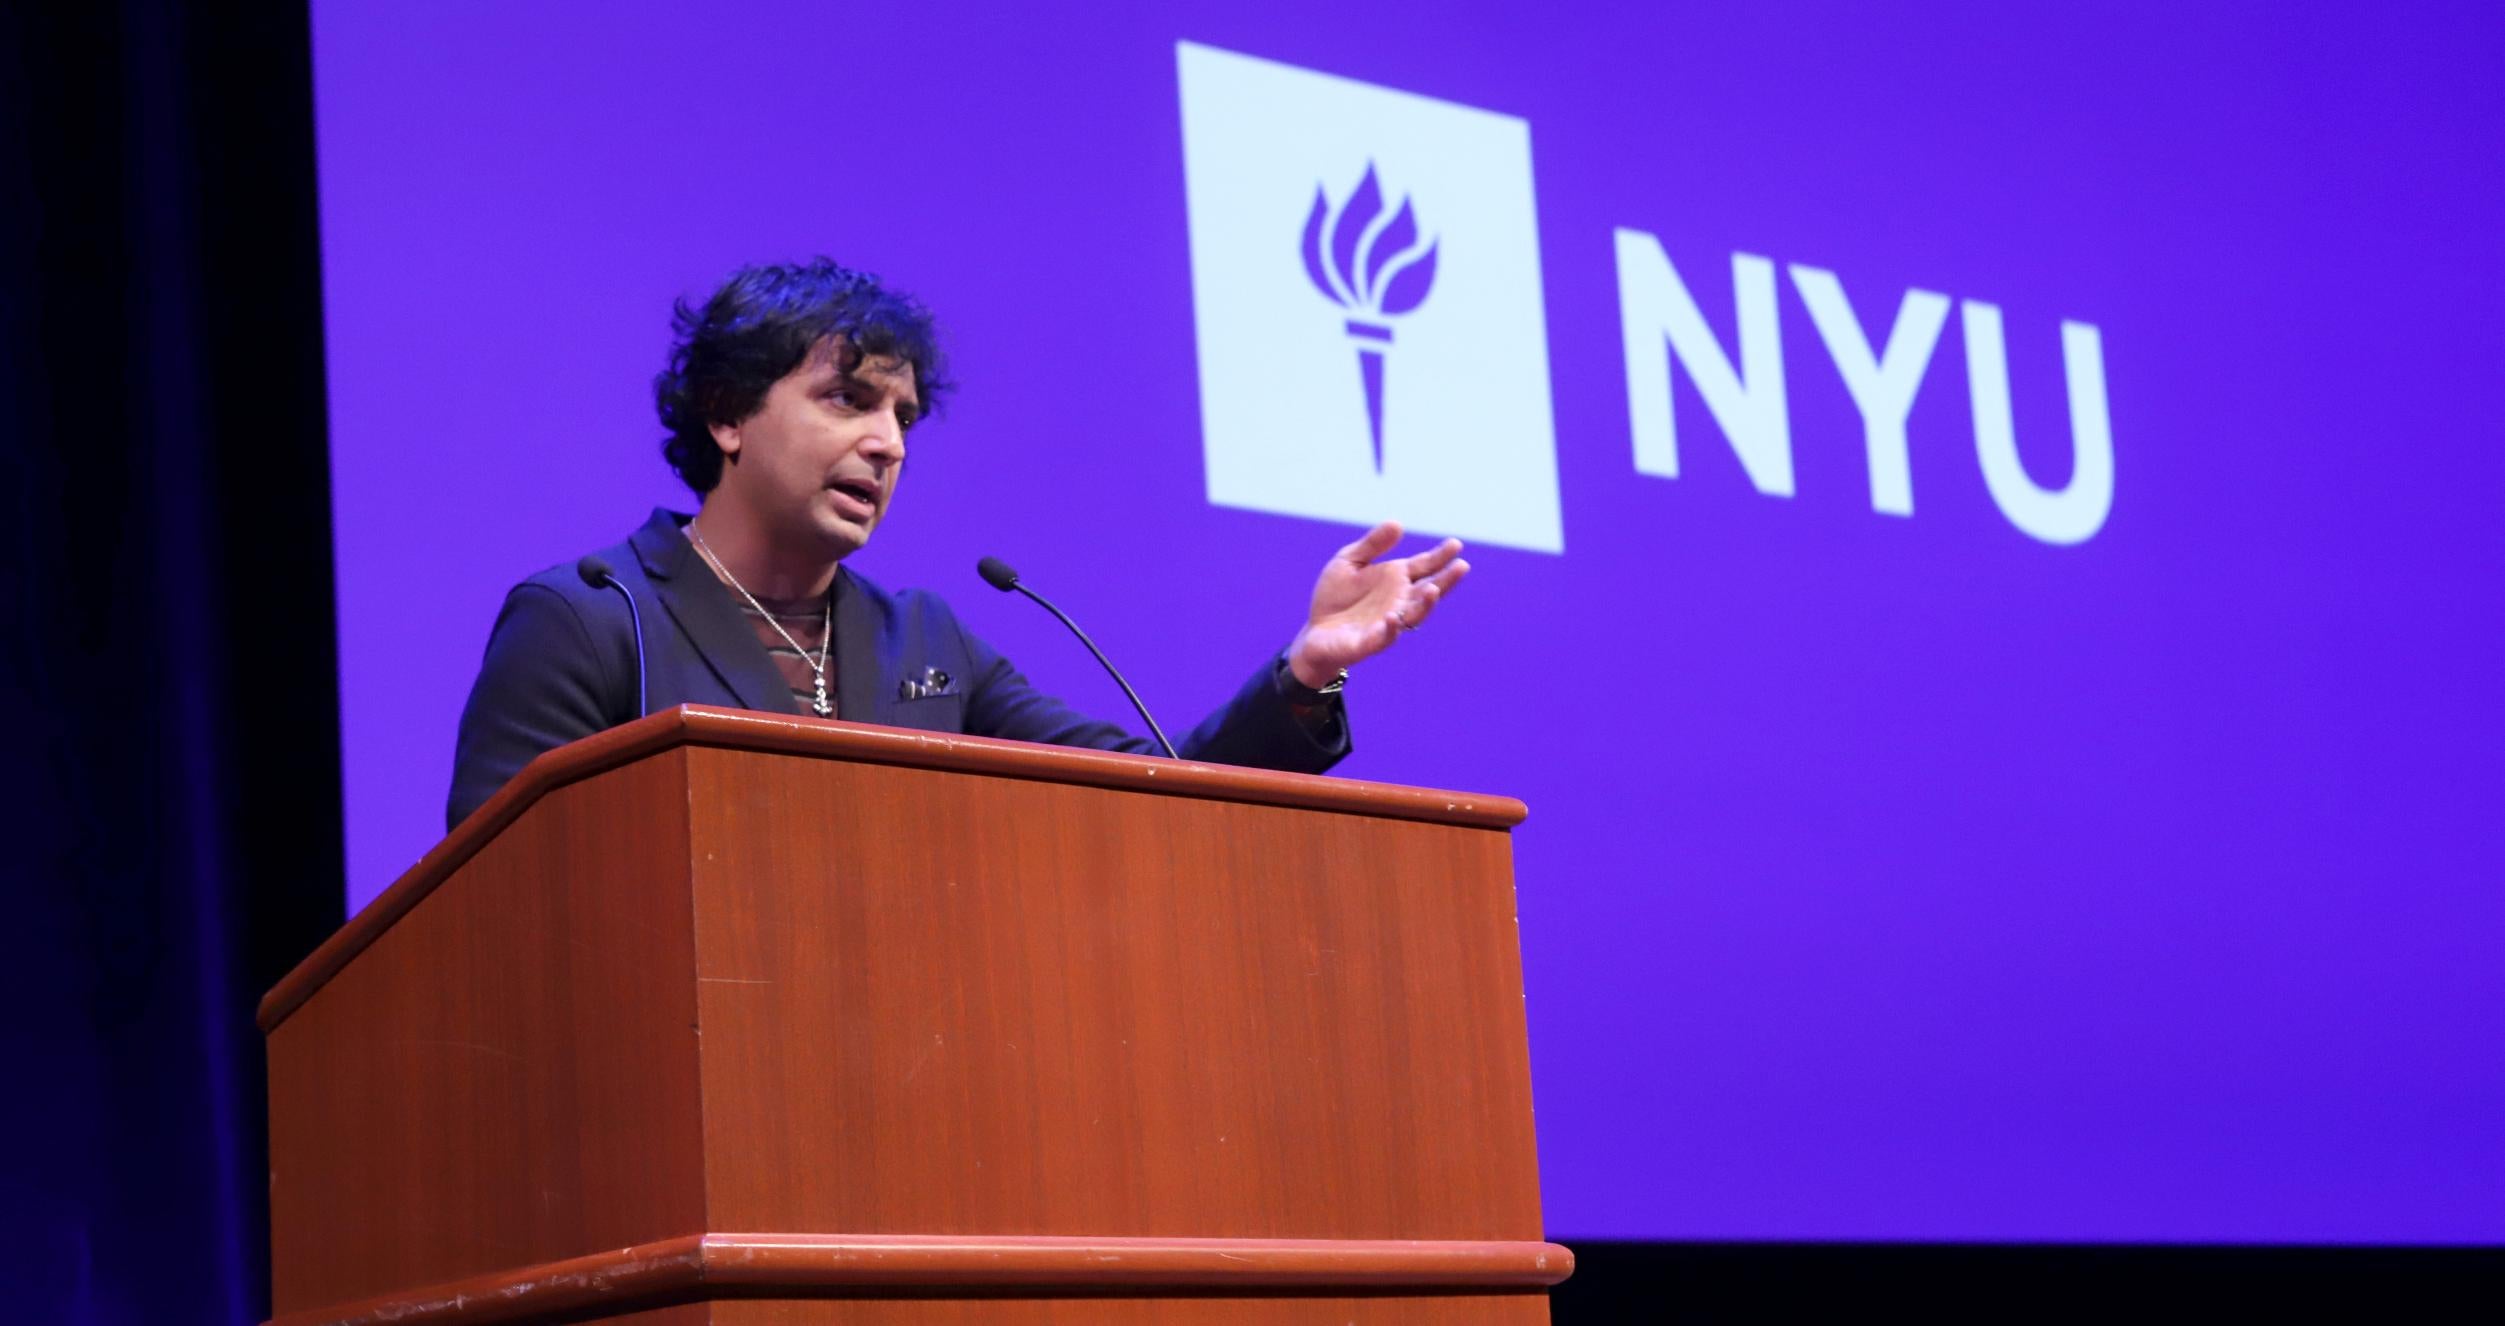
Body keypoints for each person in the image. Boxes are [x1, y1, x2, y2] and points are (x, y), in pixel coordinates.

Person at [447, 259, 1467, 828]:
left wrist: (1302, 673)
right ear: (727, 414)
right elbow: (496, 913)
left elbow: (1157, 792)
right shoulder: (591, 620)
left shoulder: (924, 640)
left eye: (904, 416)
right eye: (847, 401)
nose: (886, 444)